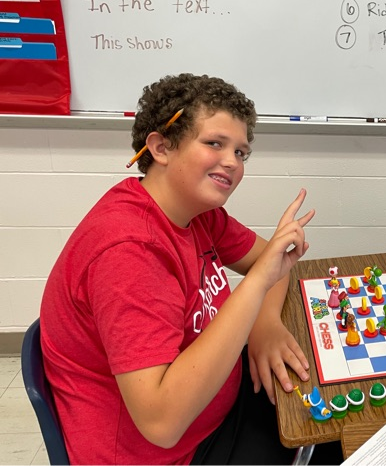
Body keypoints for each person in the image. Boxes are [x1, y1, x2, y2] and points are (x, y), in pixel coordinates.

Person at [40, 74, 343, 464]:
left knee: (342, 411)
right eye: (215, 143)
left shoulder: (199, 214)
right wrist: (257, 284)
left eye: (241, 152)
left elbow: (272, 263)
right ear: (161, 147)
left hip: (213, 412)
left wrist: (265, 326)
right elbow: (162, 423)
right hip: (169, 454)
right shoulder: (129, 251)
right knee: (342, 443)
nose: (232, 162)